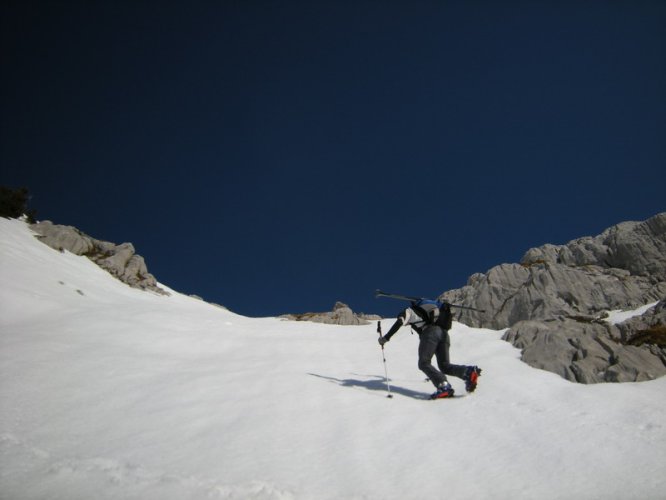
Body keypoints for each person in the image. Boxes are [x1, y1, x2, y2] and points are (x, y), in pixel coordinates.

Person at [378, 299, 481, 399]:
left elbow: (400, 322)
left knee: (424, 363)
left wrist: (386, 338)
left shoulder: (409, 310)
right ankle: (468, 372)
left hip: (430, 333)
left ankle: (443, 385)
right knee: (444, 366)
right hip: (444, 334)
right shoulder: (431, 310)